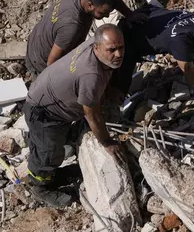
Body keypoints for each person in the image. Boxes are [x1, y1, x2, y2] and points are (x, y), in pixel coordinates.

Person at [23, 24, 126, 207]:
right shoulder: (90, 74)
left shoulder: (94, 49)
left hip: (54, 102)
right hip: (44, 112)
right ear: (97, 47)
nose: (118, 54)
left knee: (51, 145)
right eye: (112, 50)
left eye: (121, 48)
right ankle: (40, 186)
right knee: (49, 153)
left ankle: (54, 168)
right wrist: (107, 142)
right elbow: (91, 114)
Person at [111, 4, 194, 121]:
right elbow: (192, 78)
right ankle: (112, 118)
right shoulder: (180, 41)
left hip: (152, 14)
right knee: (119, 84)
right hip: (130, 36)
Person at [25, 0, 146, 75]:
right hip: (41, 62)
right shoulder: (72, 26)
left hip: (39, 37)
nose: (108, 15)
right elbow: (51, 63)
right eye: (102, 13)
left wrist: (129, 15)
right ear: (90, 5)